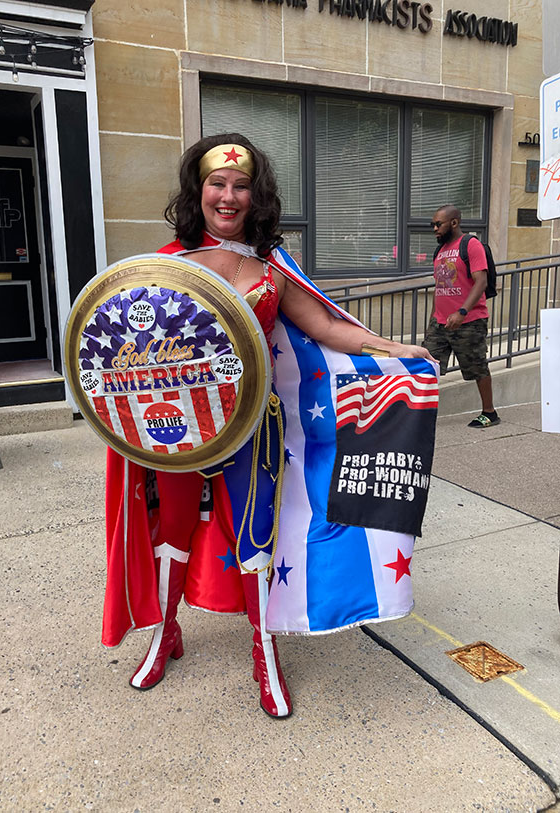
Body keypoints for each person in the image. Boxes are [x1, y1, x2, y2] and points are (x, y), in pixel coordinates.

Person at [103, 133, 436, 719]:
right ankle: (165, 634)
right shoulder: (164, 265)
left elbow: (330, 329)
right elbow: (125, 352)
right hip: (174, 432)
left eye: (241, 186)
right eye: (217, 184)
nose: (228, 196)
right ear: (197, 190)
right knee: (173, 533)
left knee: (255, 539)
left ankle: (264, 651)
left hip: (252, 428)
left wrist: (393, 348)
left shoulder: (272, 266)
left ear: (256, 198)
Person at [422, 204, 499, 428]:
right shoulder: (440, 250)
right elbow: (440, 287)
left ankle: (489, 412)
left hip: (469, 321)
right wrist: (434, 316)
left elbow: (481, 282)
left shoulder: (470, 245)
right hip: (440, 322)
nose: (434, 228)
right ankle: (420, 414)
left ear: (454, 223)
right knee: (427, 365)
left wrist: (462, 311)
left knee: (476, 365)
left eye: (438, 224)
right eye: (432, 224)